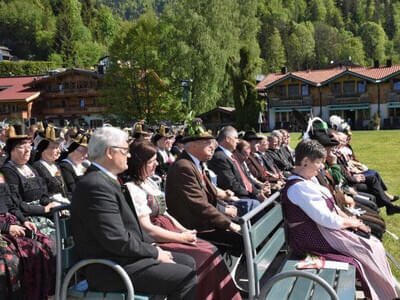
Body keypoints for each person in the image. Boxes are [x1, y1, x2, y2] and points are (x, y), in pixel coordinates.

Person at [71, 126, 197, 299]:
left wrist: (152, 248)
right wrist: (154, 252)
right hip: (109, 268)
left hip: (121, 259)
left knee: (187, 262)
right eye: (125, 150)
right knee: (184, 277)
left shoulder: (104, 180)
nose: (129, 156)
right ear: (109, 152)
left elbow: (127, 231)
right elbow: (116, 239)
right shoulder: (95, 185)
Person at [282, 139, 398, 300]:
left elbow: (332, 208)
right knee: (366, 248)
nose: (322, 166)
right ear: (306, 161)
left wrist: (351, 219)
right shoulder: (298, 187)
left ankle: (385, 291)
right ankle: (384, 294)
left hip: (320, 232)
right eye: (319, 162)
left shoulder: (307, 181)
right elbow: (325, 219)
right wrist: (352, 223)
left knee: (372, 243)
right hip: (310, 238)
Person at [125, 141, 241, 300]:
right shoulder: (132, 188)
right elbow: (147, 228)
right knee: (205, 254)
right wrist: (180, 237)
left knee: (210, 250)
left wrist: (183, 230)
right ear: (140, 163)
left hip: (169, 229)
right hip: (157, 237)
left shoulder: (149, 182)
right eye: (151, 161)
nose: (156, 164)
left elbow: (166, 214)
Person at [166, 120, 243, 256]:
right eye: (208, 143)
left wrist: (225, 205)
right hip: (195, 228)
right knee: (242, 238)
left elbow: (210, 192)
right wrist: (228, 224)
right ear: (193, 145)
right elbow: (199, 204)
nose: (213, 147)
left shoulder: (194, 163)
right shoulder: (183, 167)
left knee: (245, 226)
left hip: (203, 221)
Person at [0, 177, 55, 300]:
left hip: (11, 221)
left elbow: (11, 205)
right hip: (3, 229)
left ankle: (41, 293)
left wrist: (24, 221)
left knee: (47, 244)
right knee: (13, 259)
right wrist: (6, 228)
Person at [1, 124, 60, 236]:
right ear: (11, 150)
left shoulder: (31, 167)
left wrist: (51, 205)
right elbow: (17, 204)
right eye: (22, 147)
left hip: (44, 212)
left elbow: (43, 194)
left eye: (29, 146)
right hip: (28, 217)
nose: (27, 150)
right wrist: (43, 209)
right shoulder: (8, 171)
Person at [32, 125, 71, 202]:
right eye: (54, 148)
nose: (59, 151)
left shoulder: (56, 165)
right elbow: (44, 195)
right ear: (43, 150)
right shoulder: (37, 167)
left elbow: (65, 190)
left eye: (58, 147)